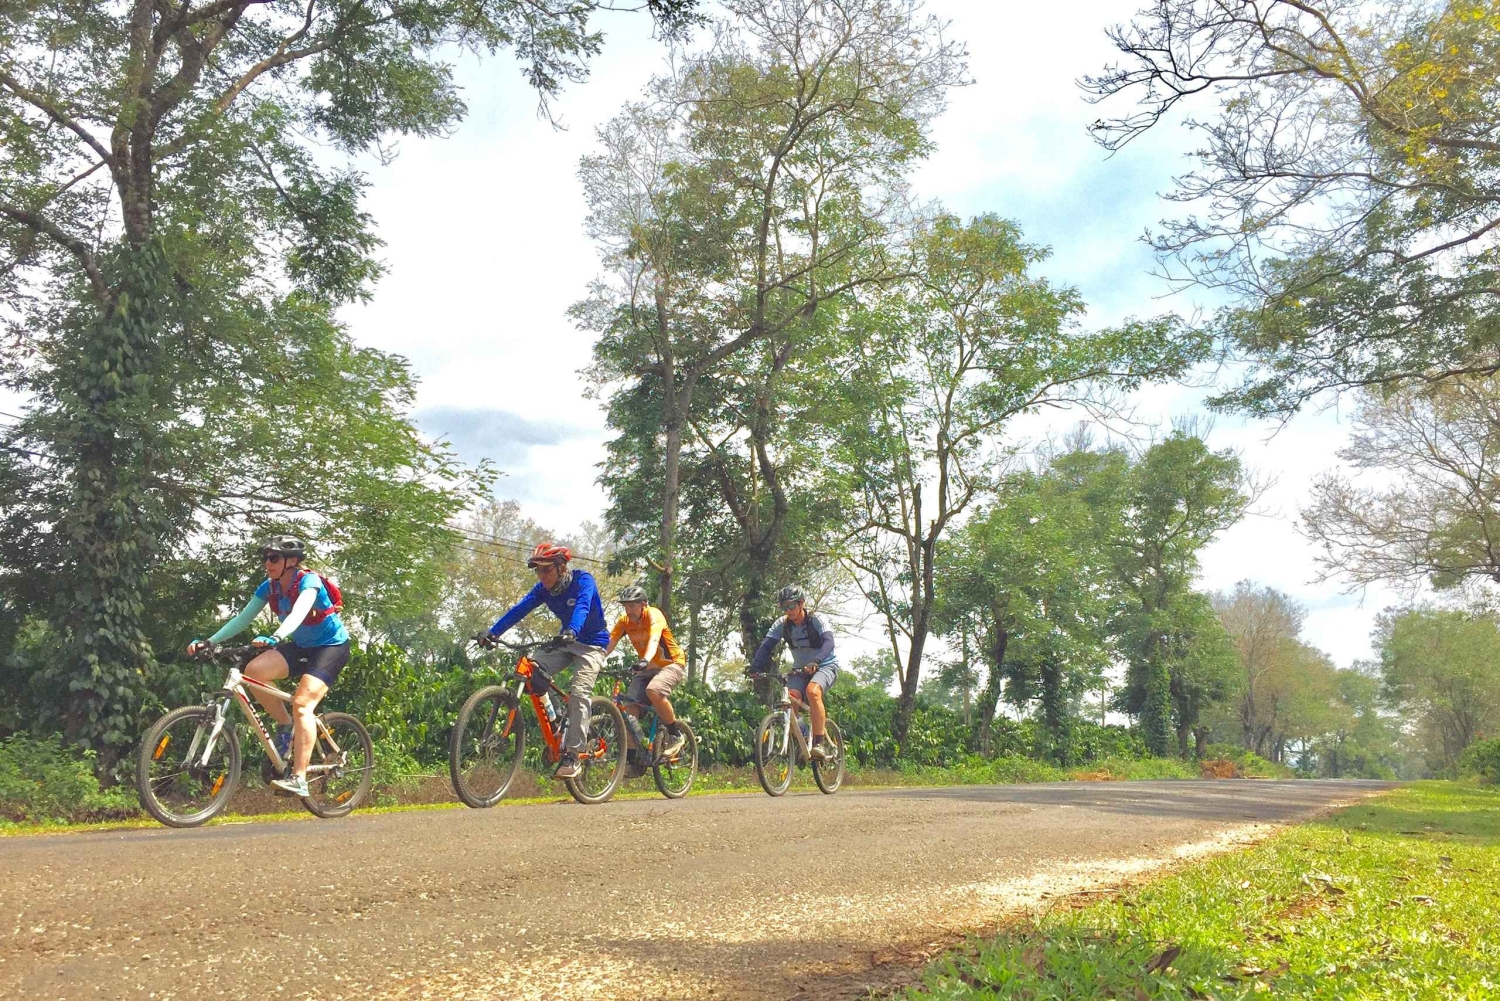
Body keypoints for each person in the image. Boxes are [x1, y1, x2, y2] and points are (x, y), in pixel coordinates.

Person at [187, 535, 350, 798]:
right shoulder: (270, 587)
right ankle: (285, 727)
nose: (268, 563)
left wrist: (275, 637)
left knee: (302, 704)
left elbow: (299, 613)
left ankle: (299, 778)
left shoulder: (309, 582)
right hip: (300, 645)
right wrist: (210, 641)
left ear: (292, 560)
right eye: (265, 558)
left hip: (330, 647)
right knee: (253, 671)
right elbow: (242, 619)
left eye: (273, 558)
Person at [480, 542, 608, 779]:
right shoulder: (543, 589)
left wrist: (572, 630)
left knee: (579, 693)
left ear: (561, 567)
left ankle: (573, 755)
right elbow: (520, 609)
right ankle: (557, 717)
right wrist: (493, 632)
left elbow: (582, 605)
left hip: (592, 645)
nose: (541, 575)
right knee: (532, 670)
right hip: (566, 640)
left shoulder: (583, 580)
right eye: (538, 570)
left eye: (546, 570)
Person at [748, 585, 839, 759]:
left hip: (825, 665)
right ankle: (804, 734)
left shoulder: (817, 619)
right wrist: (755, 667)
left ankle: (819, 744)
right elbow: (767, 645)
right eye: (784, 607)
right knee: (790, 698)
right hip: (800, 670)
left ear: (801, 603)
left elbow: (829, 643)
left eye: (791, 606)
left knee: (813, 692)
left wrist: (816, 661)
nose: (788, 611)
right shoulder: (781, 624)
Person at [605, 584, 688, 761]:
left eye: (632, 605)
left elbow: (654, 639)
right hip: (647, 668)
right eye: (626, 605)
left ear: (643, 604)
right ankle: (636, 758)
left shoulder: (654, 614)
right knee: (628, 710)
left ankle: (675, 735)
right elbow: (610, 643)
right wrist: (595, 661)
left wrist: (645, 659)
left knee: (654, 690)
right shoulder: (624, 621)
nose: (629, 610)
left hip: (671, 664)